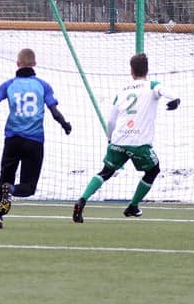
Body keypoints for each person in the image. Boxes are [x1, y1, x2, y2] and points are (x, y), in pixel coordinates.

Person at [0, 48, 72, 229]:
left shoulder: (9, 85)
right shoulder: (43, 86)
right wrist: (65, 124)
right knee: (28, 187)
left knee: (4, 177)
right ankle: (13, 190)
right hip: (34, 141)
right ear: (35, 64)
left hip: (12, 140)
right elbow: (54, 111)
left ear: (17, 64)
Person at [72, 53, 180, 223]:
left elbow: (111, 121)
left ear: (131, 71)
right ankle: (133, 206)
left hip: (119, 140)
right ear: (147, 70)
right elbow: (164, 90)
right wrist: (175, 99)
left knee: (105, 172)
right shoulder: (152, 85)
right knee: (153, 170)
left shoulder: (122, 91)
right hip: (139, 144)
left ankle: (82, 200)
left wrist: (110, 140)